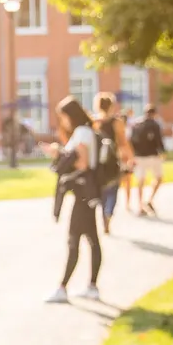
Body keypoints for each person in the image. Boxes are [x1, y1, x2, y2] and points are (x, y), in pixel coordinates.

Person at [46, 96, 101, 304]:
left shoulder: (82, 133)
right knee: (91, 240)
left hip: (82, 192)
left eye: (63, 117)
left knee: (74, 240)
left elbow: (82, 163)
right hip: (89, 192)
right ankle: (92, 286)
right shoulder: (88, 131)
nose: (63, 122)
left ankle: (63, 287)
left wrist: (59, 154)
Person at [93, 93, 130, 235]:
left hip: (98, 162)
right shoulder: (117, 122)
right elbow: (122, 142)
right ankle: (108, 214)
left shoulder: (94, 121)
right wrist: (129, 158)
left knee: (102, 191)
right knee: (113, 190)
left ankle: (104, 216)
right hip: (113, 161)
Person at [129, 104, 166, 216]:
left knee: (140, 180)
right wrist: (163, 152)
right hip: (152, 155)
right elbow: (159, 140)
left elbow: (132, 141)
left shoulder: (136, 124)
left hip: (139, 156)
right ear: (154, 113)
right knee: (159, 178)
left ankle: (140, 205)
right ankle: (149, 199)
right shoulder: (155, 124)